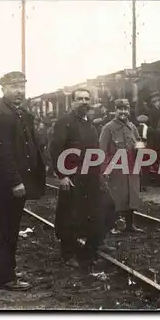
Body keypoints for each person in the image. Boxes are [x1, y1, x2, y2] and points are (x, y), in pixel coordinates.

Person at [0, 71, 46, 291]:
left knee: (7, 228)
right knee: (7, 229)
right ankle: (5, 278)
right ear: (3, 89)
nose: (20, 91)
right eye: (14, 87)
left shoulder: (15, 113)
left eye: (22, 86)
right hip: (6, 185)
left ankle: (1, 273)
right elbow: (2, 153)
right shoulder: (0, 115)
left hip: (12, 183)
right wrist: (15, 181)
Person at [50, 88, 108, 270]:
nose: (84, 102)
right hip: (72, 176)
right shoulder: (64, 123)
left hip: (90, 176)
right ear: (72, 102)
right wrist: (62, 176)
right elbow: (55, 150)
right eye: (80, 99)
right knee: (70, 215)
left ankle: (88, 250)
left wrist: (100, 173)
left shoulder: (89, 123)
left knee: (99, 211)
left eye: (87, 99)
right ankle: (68, 254)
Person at [99, 99, 144, 234]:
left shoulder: (133, 127)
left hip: (132, 166)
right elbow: (102, 150)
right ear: (115, 110)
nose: (123, 112)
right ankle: (115, 226)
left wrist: (141, 148)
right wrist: (105, 170)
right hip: (116, 167)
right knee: (117, 197)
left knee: (132, 197)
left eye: (126, 109)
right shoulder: (108, 128)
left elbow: (139, 144)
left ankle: (130, 225)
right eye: (120, 109)